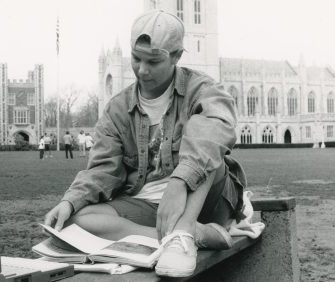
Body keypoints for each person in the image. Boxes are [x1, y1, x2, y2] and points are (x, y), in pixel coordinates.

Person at [45, 10, 246, 277]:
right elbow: (102, 169)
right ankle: (184, 235)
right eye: (136, 59)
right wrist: (70, 201)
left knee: (206, 143)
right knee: (78, 220)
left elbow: (216, 129)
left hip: (205, 197)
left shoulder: (203, 89)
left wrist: (180, 181)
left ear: (176, 56)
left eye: (153, 61)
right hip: (150, 205)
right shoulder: (117, 108)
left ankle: (185, 228)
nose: (142, 70)